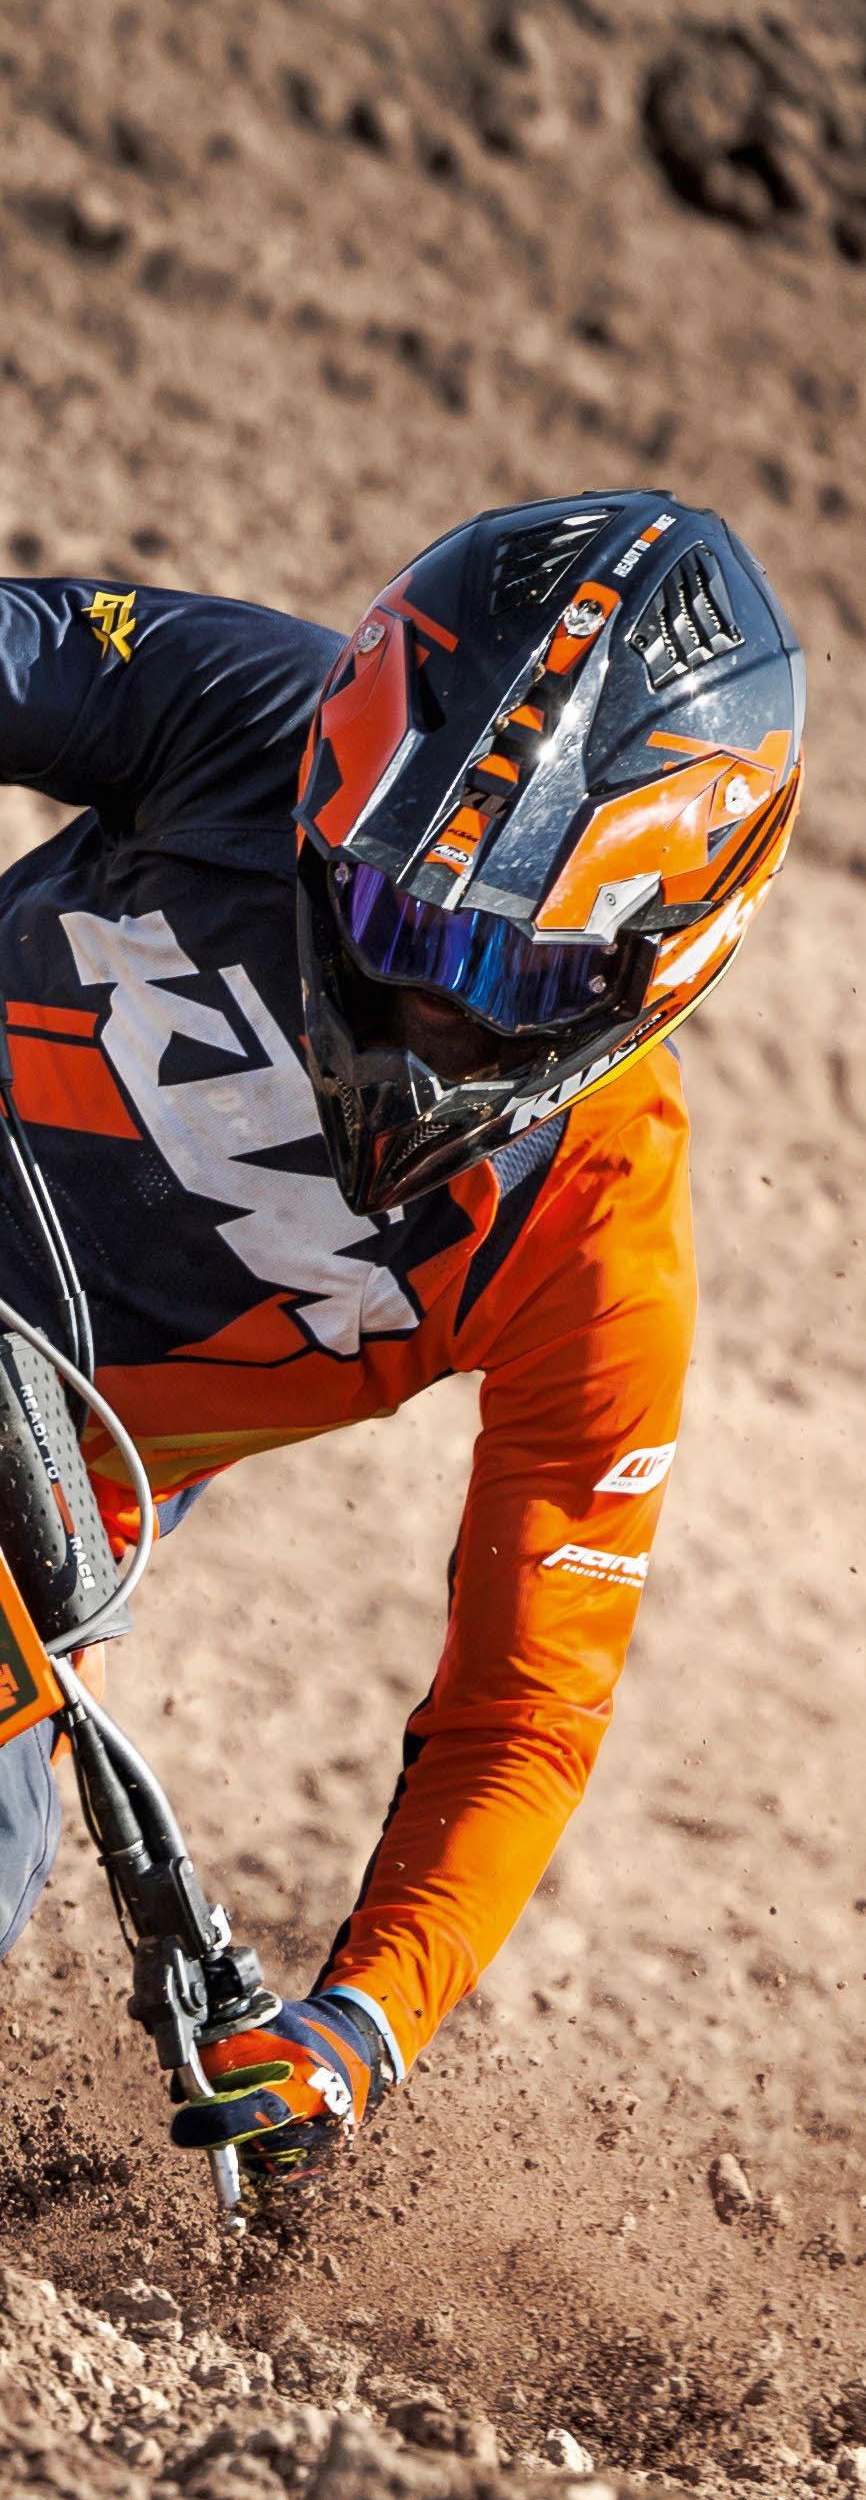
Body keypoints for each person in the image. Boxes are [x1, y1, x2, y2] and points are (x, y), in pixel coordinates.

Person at [0, 493, 804, 2182]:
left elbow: (526, 1709)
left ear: (651, 972)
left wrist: (359, 2023)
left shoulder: (598, 1238)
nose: (417, 1007)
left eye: (501, 976)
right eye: (383, 920)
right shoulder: (247, 711)